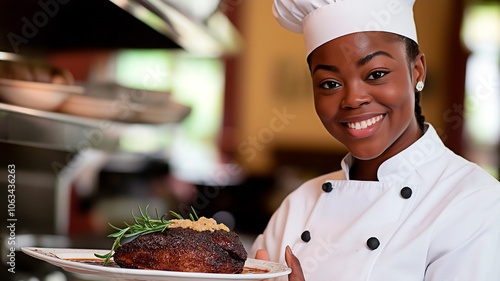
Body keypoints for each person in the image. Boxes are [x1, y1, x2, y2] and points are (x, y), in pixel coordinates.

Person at [250, 0, 500, 280]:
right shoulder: (297, 206)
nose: (353, 99)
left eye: (376, 74)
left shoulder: (473, 202)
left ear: (417, 71)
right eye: (330, 83)